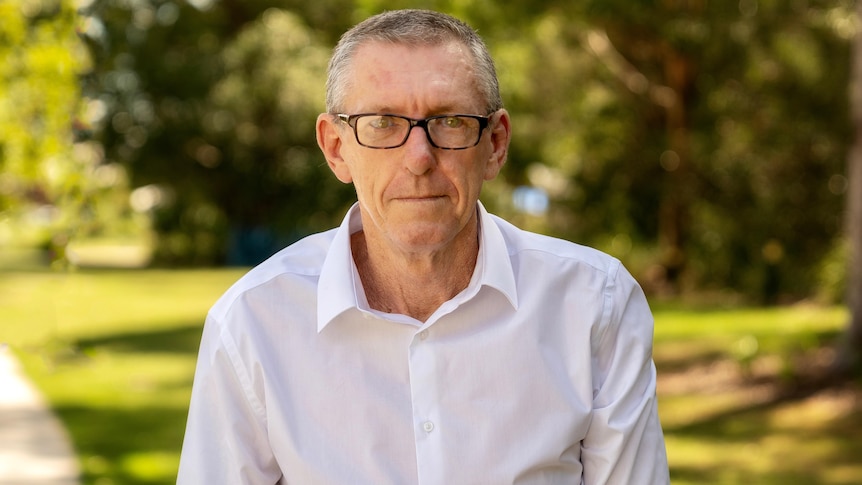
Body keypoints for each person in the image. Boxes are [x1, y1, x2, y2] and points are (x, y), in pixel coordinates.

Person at [178, 9, 669, 484]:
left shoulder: (595, 305)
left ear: (495, 144)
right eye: (382, 122)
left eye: (450, 121)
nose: (418, 158)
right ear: (335, 148)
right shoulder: (252, 322)